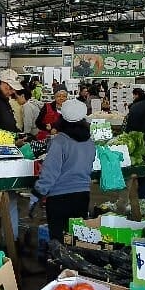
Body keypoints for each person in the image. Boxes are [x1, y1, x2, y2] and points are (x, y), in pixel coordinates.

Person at [29, 100, 95, 241]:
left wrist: (36, 196)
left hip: (59, 199)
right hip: (83, 196)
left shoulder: (60, 141)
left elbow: (49, 174)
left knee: (58, 242)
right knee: (78, 240)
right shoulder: (90, 142)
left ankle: (59, 263)